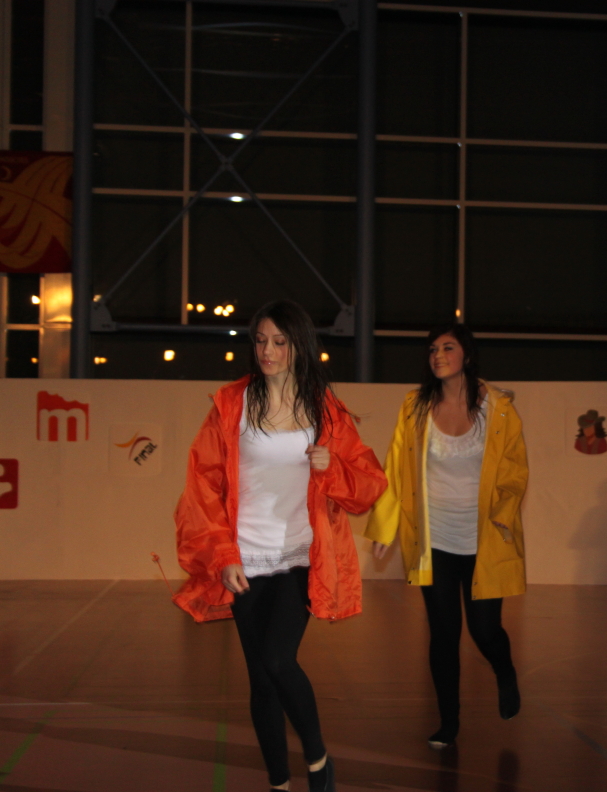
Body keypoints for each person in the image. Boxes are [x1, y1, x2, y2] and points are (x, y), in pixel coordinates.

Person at [173, 300, 387, 792]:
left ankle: (318, 761)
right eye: (260, 341)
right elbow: (202, 487)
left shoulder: (324, 408)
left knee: (277, 660)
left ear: (298, 345)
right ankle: (278, 782)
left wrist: (332, 466)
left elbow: (369, 484)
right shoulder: (232, 404)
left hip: (299, 557)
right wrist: (224, 555)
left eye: (279, 341)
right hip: (245, 560)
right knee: (261, 680)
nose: (267, 351)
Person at [365, 323, 528, 749]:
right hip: (434, 540)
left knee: (484, 631)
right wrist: (386, 526)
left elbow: (514, 471)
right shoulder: (415, 406)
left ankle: (504, 670)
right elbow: (396, 466)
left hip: (483, 540)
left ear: (467, 356)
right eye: (433, 349)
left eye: (448, 347)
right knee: (443, 633)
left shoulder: (499, 409)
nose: (438, 355)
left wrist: (503, 514)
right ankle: (448, 723)